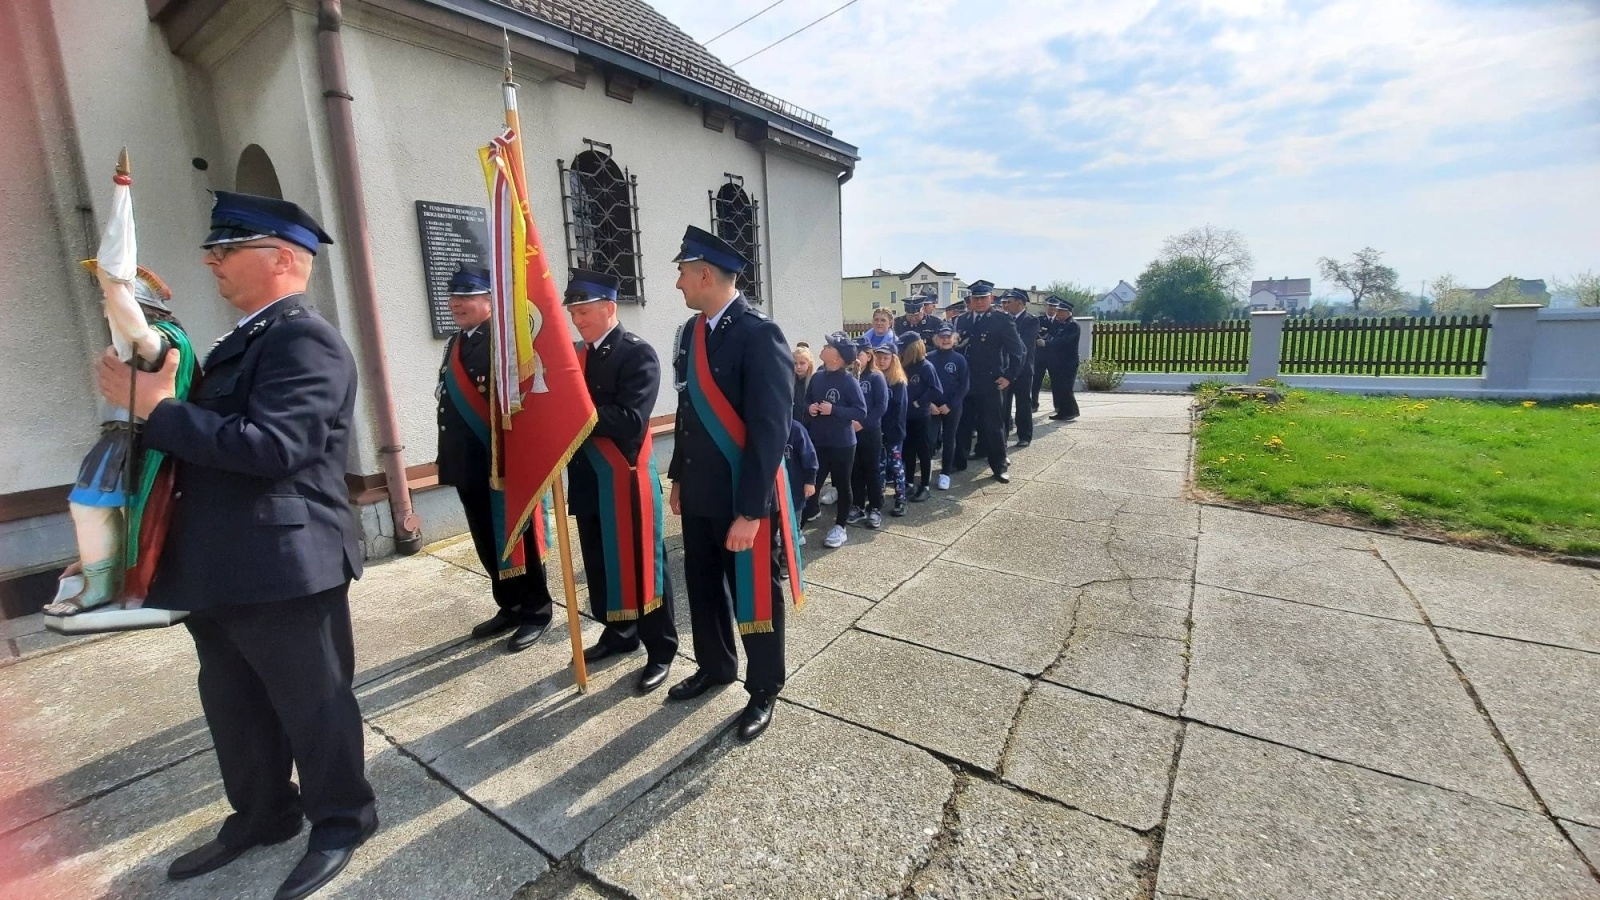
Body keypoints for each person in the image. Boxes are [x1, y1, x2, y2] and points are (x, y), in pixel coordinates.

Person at [95, 191, 376, 899]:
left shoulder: (303, 339)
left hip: (285, 565)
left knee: (314, 706)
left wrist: (159, 410)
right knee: (234, 704)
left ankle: (342, 820)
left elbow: (274, 447)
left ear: (281, 259)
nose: (210, 261)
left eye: (227, 249)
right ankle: (263, 813)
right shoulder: (239, 341)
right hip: (219, 560)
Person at [666, 225, 798, 742]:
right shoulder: (691, 333)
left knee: (753, 595)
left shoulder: (759, 333)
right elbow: (687, 413)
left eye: (682, 273)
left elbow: (771, 431)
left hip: (742, 496)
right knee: (702, 589)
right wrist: (678, 477)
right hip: (699, 491)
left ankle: (763, 688)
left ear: (704, 275)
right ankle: (715, 665)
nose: (678, 283)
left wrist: (751, 511)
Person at [562, 269, 678, 694]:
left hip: (624, 481)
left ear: (610, 308)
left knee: (644, 566)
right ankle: (619, 632)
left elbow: (631, 420)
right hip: (589, 480)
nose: (577, 320)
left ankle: (661, 649)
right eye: (573, 313)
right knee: (599, 564)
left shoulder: (636, 353)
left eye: (585, 311)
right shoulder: (577, 355)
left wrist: (576, 414)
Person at [435, 264, 554, 654]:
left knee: (517, 538)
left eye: (467, 296)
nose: (457, 304)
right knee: (486, 540)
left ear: (490, 300)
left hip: (500, 463)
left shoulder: (504, 343)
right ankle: (510, 605)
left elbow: (525, 403)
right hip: (467, 463)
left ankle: (536, 610)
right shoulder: (455, 343)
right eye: (454, 297)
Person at [954, 280, 1024, 483]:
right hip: (965, 381)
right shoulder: (962, 320)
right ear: (970, 299)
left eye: (983, 298)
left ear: (991, 298)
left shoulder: (1001, 320)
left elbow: (1018, 351)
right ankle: (958, 461)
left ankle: (999, 466)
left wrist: (1009, 376)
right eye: (975, 298)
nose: (979, 302)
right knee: (963, 424)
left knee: (993, 426)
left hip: (989, 381)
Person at [803, 333, 866, 549]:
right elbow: (807, 399)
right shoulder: (818, 376)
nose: (824, 347)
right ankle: (800, 525)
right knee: (812, 483)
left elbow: (861, 411)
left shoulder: (848, 381)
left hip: (842, 443)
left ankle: (840, 527)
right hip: (819, 440)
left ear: (837, 358)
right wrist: (810, 408)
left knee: (842, 482)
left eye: (829, 347)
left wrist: (834, 410)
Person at [848, 336, 890, 529]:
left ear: (869, 355)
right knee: (855, 469)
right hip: (851, 432)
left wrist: (863, 424)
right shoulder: (850, 376)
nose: (856, 357)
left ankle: (875, 507)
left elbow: (881, 406)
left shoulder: (875, 377)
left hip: (870, 431)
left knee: (872, 470)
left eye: (860, 353)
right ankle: (857, 505)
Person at [898, 331, 943, 502]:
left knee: (923, 451)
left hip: (920, 417)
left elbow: (936, 389)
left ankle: (924, 486)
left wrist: (920, 402)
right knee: (908, 451)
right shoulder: (905, 365)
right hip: (906, 416)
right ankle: (909, 482)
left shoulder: (925, 366)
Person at [927, 323, 968, 490]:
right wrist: (929, 403)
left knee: (949, 439)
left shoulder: (959, 359)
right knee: (929, 439)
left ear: (954, 339)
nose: (945, 340)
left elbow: (964, 386)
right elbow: (924, 383)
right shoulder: (929, 358)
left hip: (952, 407)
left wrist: (950, 405)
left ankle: (945, 473)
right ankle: (927, 468)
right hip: (932, 407)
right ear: (936, 339)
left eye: (948, 337)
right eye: (942, 337)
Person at [873, 339, 910, 516]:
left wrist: (889, 431)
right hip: (876, 431)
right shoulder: (874, 378)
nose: (881, 361)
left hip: (893, 432)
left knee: (895, 466)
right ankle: (878, 497)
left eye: (885, 358)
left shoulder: (898, 382)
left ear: (893, 359)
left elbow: (899, 411)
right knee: (879, 466)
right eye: (879, 357)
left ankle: (901, 498)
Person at [999, 288, 1040, 448]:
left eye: (1009, 302)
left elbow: (1025, 344)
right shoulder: (1004, 319)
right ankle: (1003, 436)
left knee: (1023, 403)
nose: (1006, 305)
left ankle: (1024, 435)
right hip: (1006, 369)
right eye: (1005, 302)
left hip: (1023, 369)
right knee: (1004, 405)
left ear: (1020, 303)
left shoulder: (1031, 321)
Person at [1042, 296, 1083, 422]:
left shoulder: (1073, 325)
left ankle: (1070, 412)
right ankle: (1062, 411)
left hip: (1068, 362)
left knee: (1065, 388)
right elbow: (1051, 336)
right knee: (1059, 387)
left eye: (1060, 311)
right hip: (1058, 362)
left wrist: (1047, 343)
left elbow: (1064, 341)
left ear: (1067, 312)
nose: (1057, 313)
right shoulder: (1060, 324)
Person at [792, 343, 816, 425]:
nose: (798, 367)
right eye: (795, 363)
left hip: (809, 425)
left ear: (809, 363)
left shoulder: (814, 381)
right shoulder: (790, 381)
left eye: (802, 363)